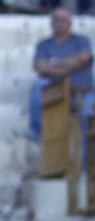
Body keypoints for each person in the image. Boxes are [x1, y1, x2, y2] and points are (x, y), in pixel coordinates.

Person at [30, 7, 93, 141]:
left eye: (63, 19)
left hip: (82, 92)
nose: (60, 23)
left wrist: (52, 63)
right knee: (38, 85)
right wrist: (70, 65)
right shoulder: (44, 44)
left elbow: (83, 58)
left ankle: (86, 158)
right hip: (55, 91)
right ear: (51, 23)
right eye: (57, 19)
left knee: (89, 116)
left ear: (70, 23)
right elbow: (40, 67)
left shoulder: (82, 40)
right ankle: (36, 132)